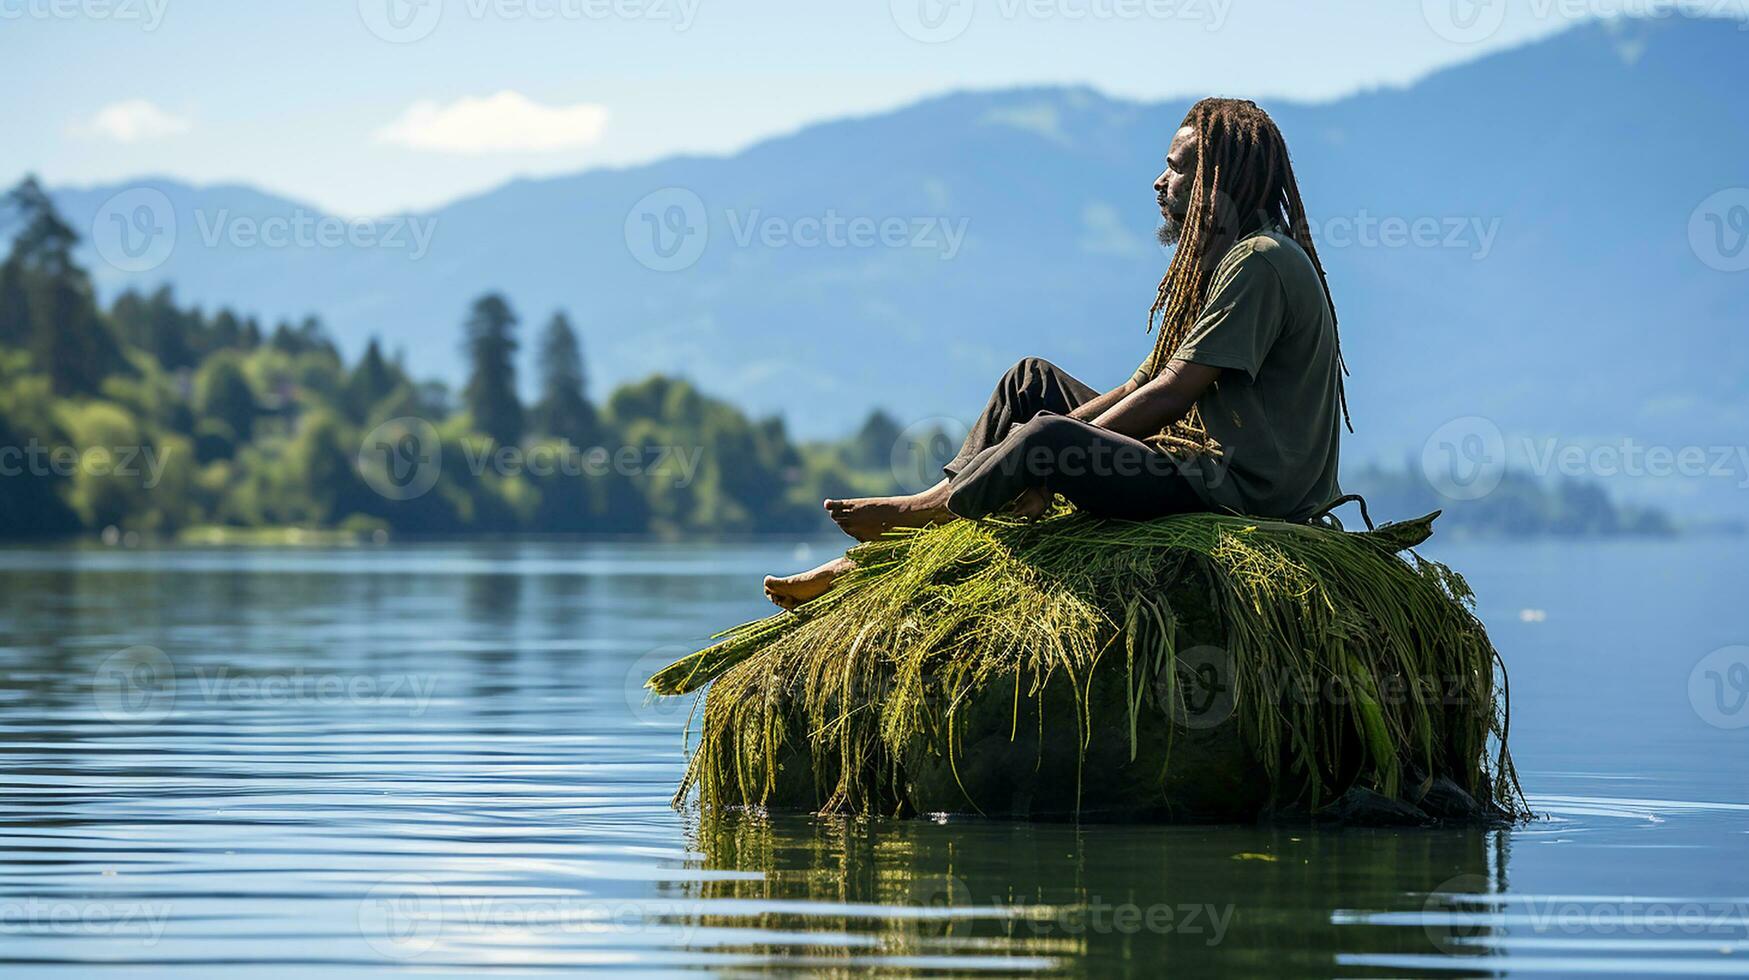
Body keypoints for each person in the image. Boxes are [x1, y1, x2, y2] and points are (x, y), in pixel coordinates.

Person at [766, 98, 1350, 610]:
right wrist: (1035, 458)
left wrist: (1046, 451)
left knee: (1045, 436)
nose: (1157, 182)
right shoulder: (1221, 261)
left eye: (1174, 169)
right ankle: (935, 514)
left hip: (1238, 492)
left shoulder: (1259, 261)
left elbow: (1174, 393)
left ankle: (928, 511)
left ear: (1213, 182)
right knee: (1031, 384)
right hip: (1201, 465)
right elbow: (1137, 386)